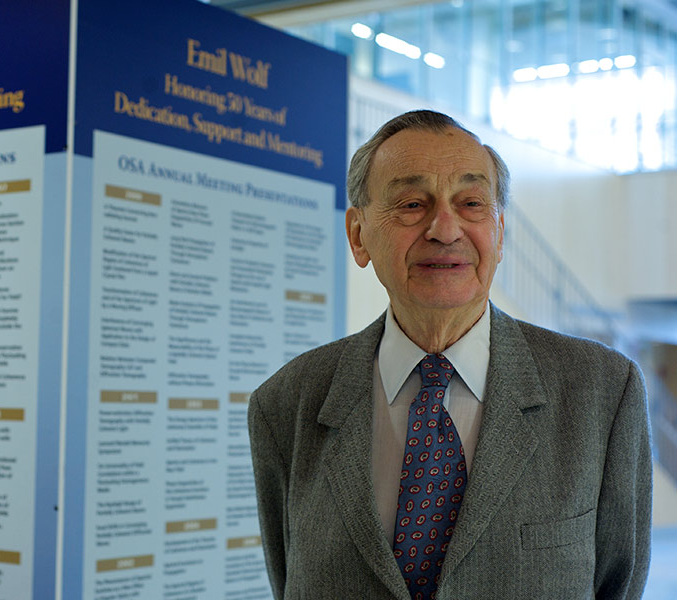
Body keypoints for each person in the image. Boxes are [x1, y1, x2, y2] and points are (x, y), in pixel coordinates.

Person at [248, 109, 652, 600]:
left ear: (499, 233)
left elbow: (620, 583)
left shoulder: (602, 391)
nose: (445, 228)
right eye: (412, 203)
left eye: (471, 203)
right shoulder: (287, 404)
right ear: (358, 235)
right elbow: (287, 578)